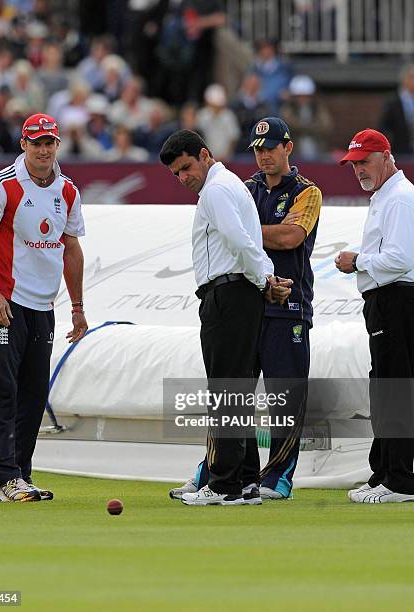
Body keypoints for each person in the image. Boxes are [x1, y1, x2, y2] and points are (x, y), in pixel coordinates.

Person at [169, 117, 322, 501]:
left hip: (288, 303)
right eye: (257, 149)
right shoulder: (244, 187)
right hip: (255, 295)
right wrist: (247, 231)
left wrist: (245, 229)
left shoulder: (307, 192)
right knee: (233, 391)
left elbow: (290, 236)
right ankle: (232, 473)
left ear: (288, 148)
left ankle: (277, 477)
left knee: (280, 396)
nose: (264, 156)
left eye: (271, 148)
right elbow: (251, 234)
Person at [0, 113, 88, 503]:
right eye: (36, 142)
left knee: (34, 393)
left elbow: (70, 248)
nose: (43, 149)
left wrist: (78, 307)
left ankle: (21, 475)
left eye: (49, 142)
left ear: (57, 145)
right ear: (24, 144)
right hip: (2, 301)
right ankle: (3, 478)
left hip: (42, 304)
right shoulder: (2, 185)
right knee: (1, 387)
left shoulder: (67, 190)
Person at [336, 128, 414, 503]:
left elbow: (400, 260)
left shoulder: (398, 198)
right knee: (384, 387)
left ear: (386, 156)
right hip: (388, 300)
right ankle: (384, 472)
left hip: (397, 301)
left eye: (364, 161)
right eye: (354, 164)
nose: (358, 170)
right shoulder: (388, 195)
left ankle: (399, 480)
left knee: (394, 387)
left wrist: (357, 262)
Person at [378, 64, 414, 156]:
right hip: (399, 151)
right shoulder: (393, 102)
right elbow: (384, 126)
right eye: (411, 77)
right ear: (404, 79)